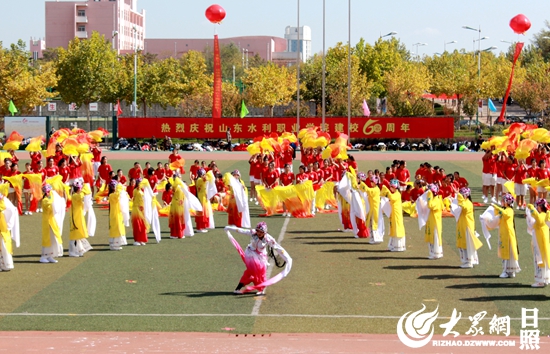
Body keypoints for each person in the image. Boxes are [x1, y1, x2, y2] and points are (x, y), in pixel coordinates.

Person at [224, 222, 292, 295]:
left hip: (261, 257)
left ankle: (260, 289)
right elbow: (241, 231)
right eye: (258, 231)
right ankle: (239, 288)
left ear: (265, 232)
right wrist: (229, 228)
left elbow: (278, 248)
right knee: (251, 271)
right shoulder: (253, 233)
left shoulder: (268, 239)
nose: (259, 233)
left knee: (260, 273)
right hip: (250, 254)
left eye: (261, 232)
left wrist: (287, 258)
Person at [452, 187, 483, 268]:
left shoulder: (468, 203)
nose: (461, 196)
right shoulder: (466, 202)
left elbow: (463, 206)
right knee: (463, 243)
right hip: (463, 225)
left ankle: (469, 261)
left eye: (462, 195)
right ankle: (466, 260)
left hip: (467, 226)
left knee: (467, 244)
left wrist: (457, 194)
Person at [492, 193, 521, 278]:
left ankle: (507, 271)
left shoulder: (509, 210)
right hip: (504, 234)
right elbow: (498, 214)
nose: (501, 202)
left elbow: (505, 214)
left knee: (508, 253)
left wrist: (496, 207)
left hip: (508, 235)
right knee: (506, 253)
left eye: (503, 200)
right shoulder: (505, 210)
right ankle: (508, 270)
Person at [526, 199, 550, 287]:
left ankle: (541, 280)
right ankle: (544, 279)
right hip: (539, 241)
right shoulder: (542, 215)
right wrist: (529, 216)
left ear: (540, 207)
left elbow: (539, 220)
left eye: (537, 207)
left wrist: (532, 210)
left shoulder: (543, 215)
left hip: (541, 242)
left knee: (540, 259)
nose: (537, 208)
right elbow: (533, 225)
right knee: (541, 259)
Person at [417, 184, 444, 259]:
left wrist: (429, 196)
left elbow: (430, 205)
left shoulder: (436, 200)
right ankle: (432, 252)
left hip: (434, 222)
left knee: (434, 237)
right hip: (430, 221)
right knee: (431, 237)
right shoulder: (435, 199)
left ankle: (436, 253)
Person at [40, 184, 65, 263]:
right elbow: (50, 202)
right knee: (47, 238)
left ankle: (50, 255)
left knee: (53, 238)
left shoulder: (50, 198)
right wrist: (52, 196)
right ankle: (44, 256)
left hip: (52, 220)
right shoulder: (45, 200)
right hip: (47, 221)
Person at [68, 181, 93, 257]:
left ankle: (78, 250)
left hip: (78, 217)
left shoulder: (76, 196)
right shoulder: (75, 196)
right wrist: (85, 186)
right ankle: (71, 251)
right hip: (75, 218)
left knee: (78, 235)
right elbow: (82, 195)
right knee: (74, 235)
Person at [381, 179, 406, 252]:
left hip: (396, 214)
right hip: (393, 214)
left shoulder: (397, 194)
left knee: (397, 228)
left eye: (392, 187)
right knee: (393, 228)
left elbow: (392, 197)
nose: (391, 188)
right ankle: (393, 245)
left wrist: (387, 191)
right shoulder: (394, 194)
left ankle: (398, 246)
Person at [108, 180, 129, 250]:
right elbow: (118, 194)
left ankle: (116, 244)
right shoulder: (111, 195)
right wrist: (119, 187)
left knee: (118, 227)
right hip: (115, 214)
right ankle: (114, 245)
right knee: (116, 228)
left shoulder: (113, 195)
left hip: (117, 213)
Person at [0, 194, 19, 271]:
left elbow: (12, 209)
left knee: (4, 245)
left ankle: (5, 264)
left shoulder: (4, 202)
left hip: (3, 228)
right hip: (3, 227)